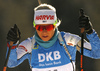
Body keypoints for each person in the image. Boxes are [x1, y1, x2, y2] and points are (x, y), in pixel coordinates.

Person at [6, 4, 100, 71]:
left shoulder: (68, 40)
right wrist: (13, 44)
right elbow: (11, 63)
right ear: (35, 27)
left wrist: (89, 31)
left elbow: (97, 53)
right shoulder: (29, 45)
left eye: (49, 27)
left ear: (55, 25)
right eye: (39, 27)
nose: (44, 31)